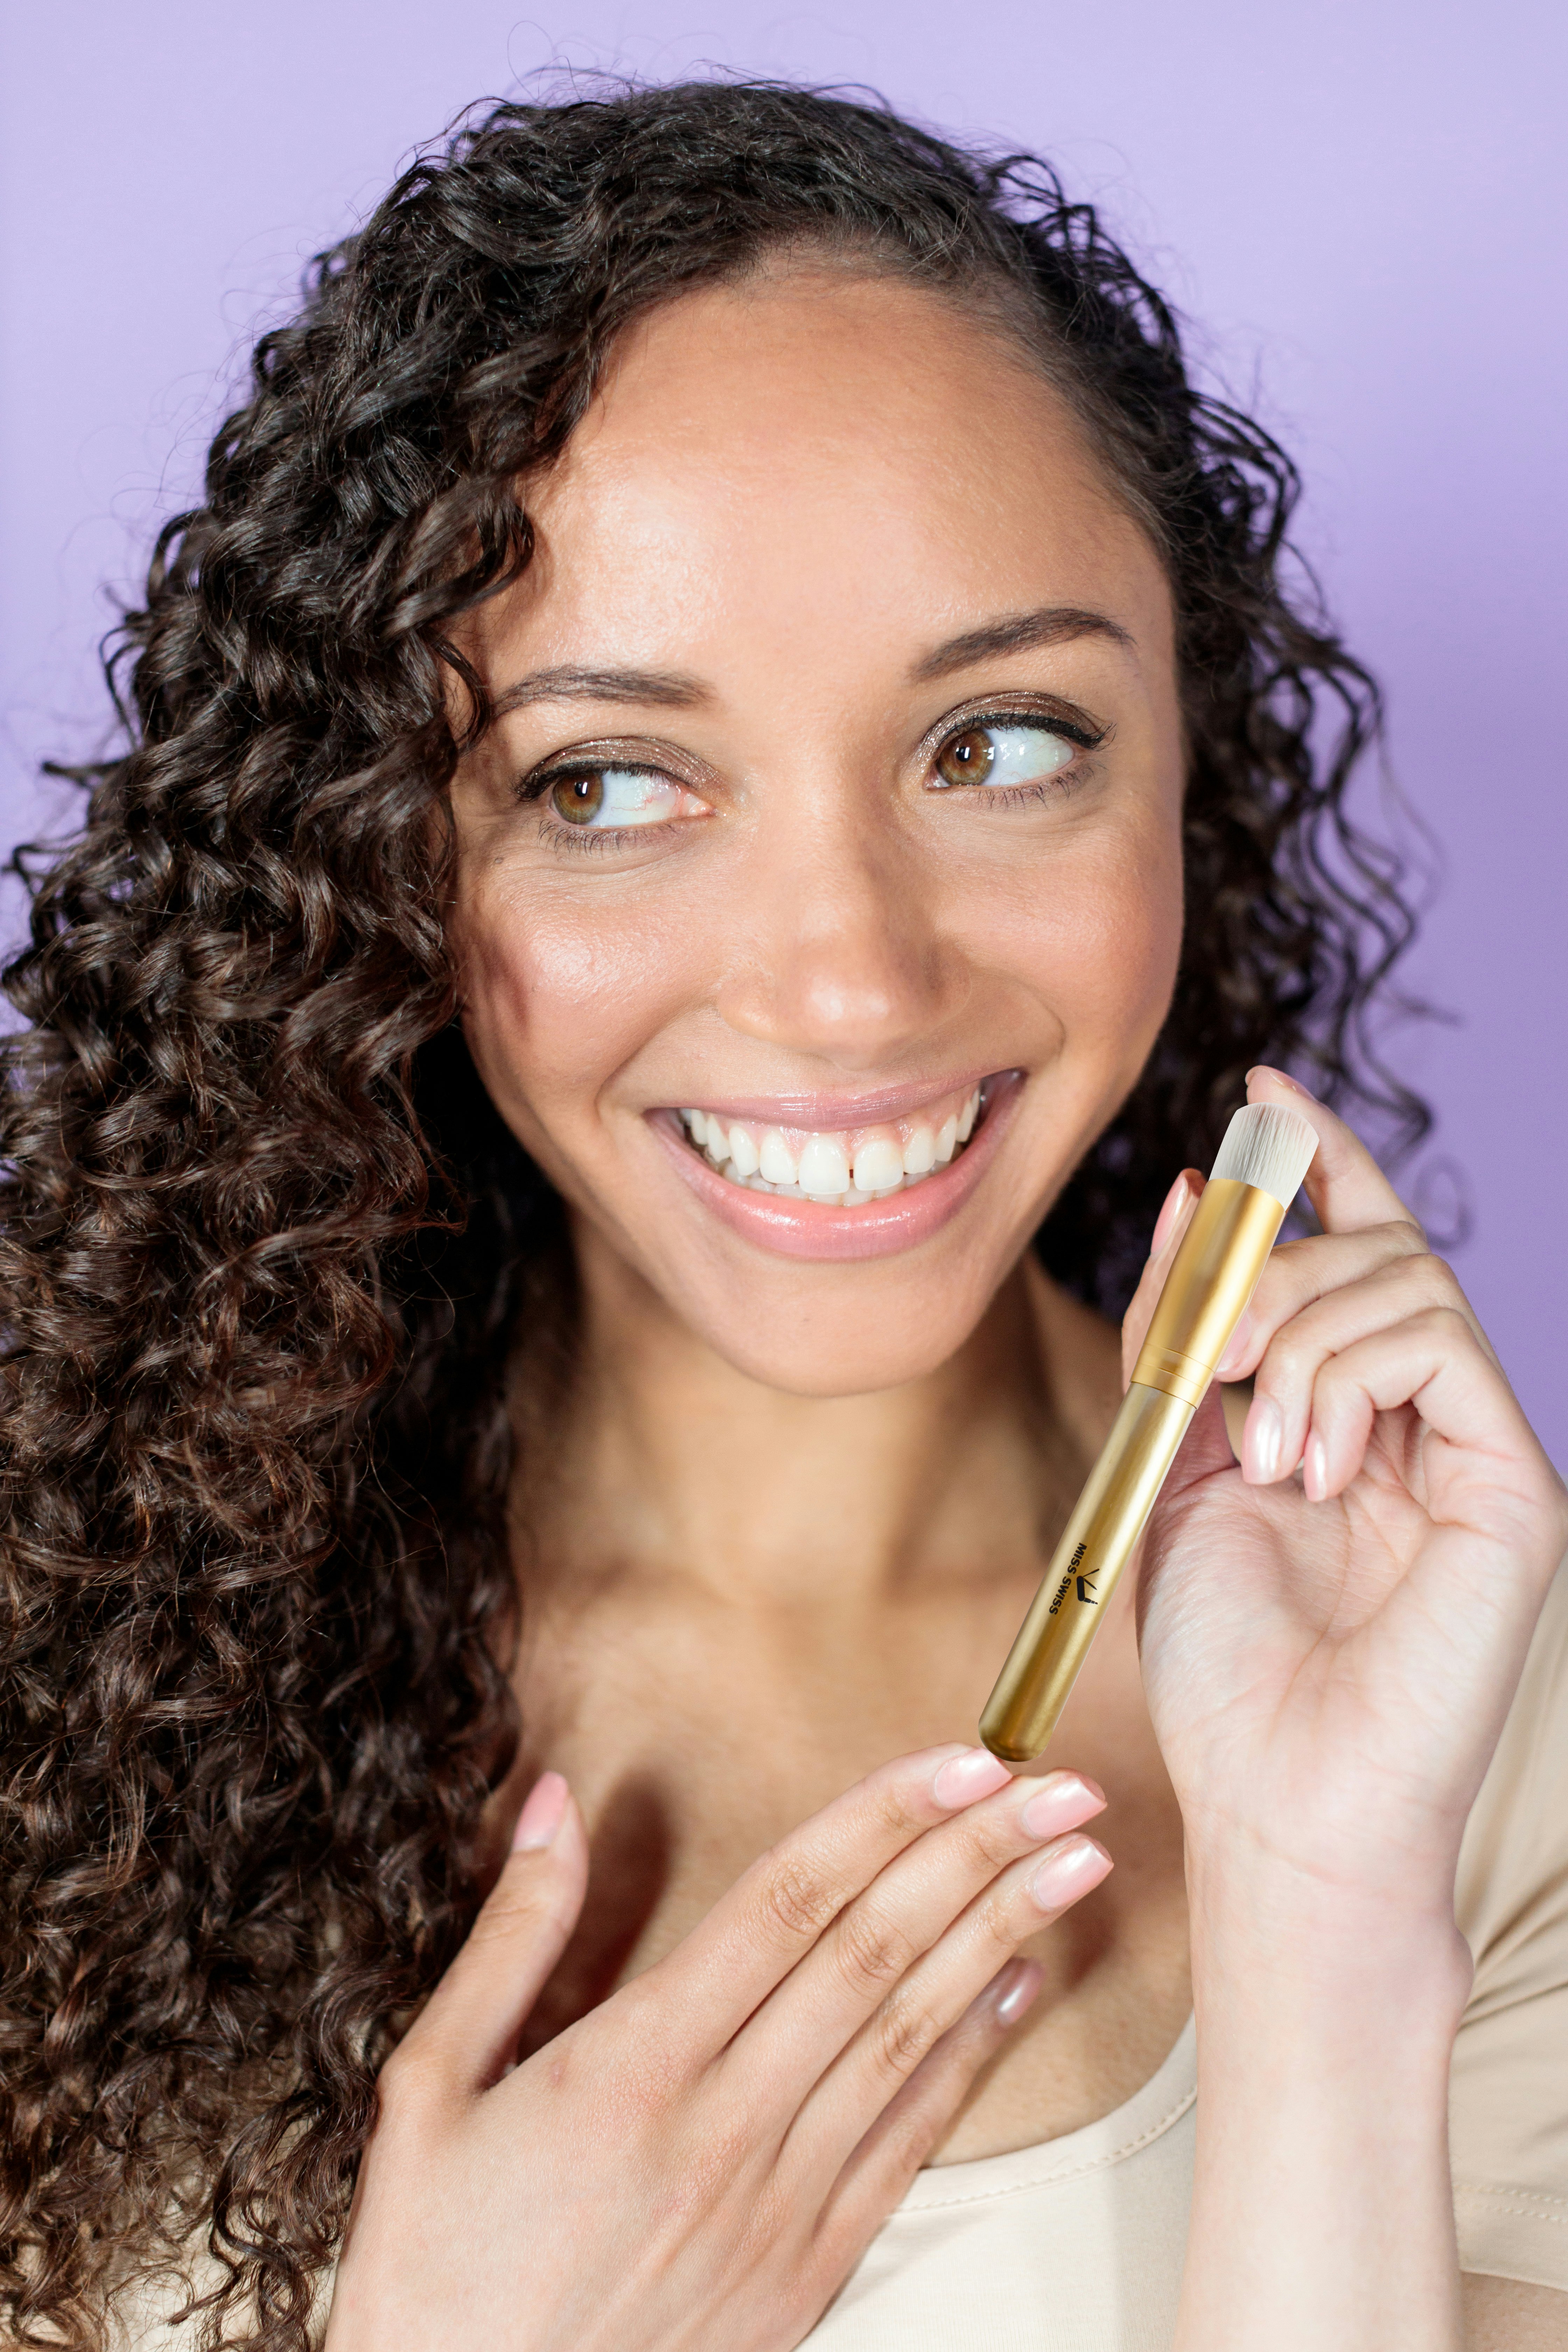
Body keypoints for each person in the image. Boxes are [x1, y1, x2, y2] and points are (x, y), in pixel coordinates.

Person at [2, 79, 1563, 2352]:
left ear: (1189, 762)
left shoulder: (1480, 1710)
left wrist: (1331, 1938)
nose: (848, 981)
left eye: (1002, 743)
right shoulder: (60, 1659)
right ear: (381, 852)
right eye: (610, 783)